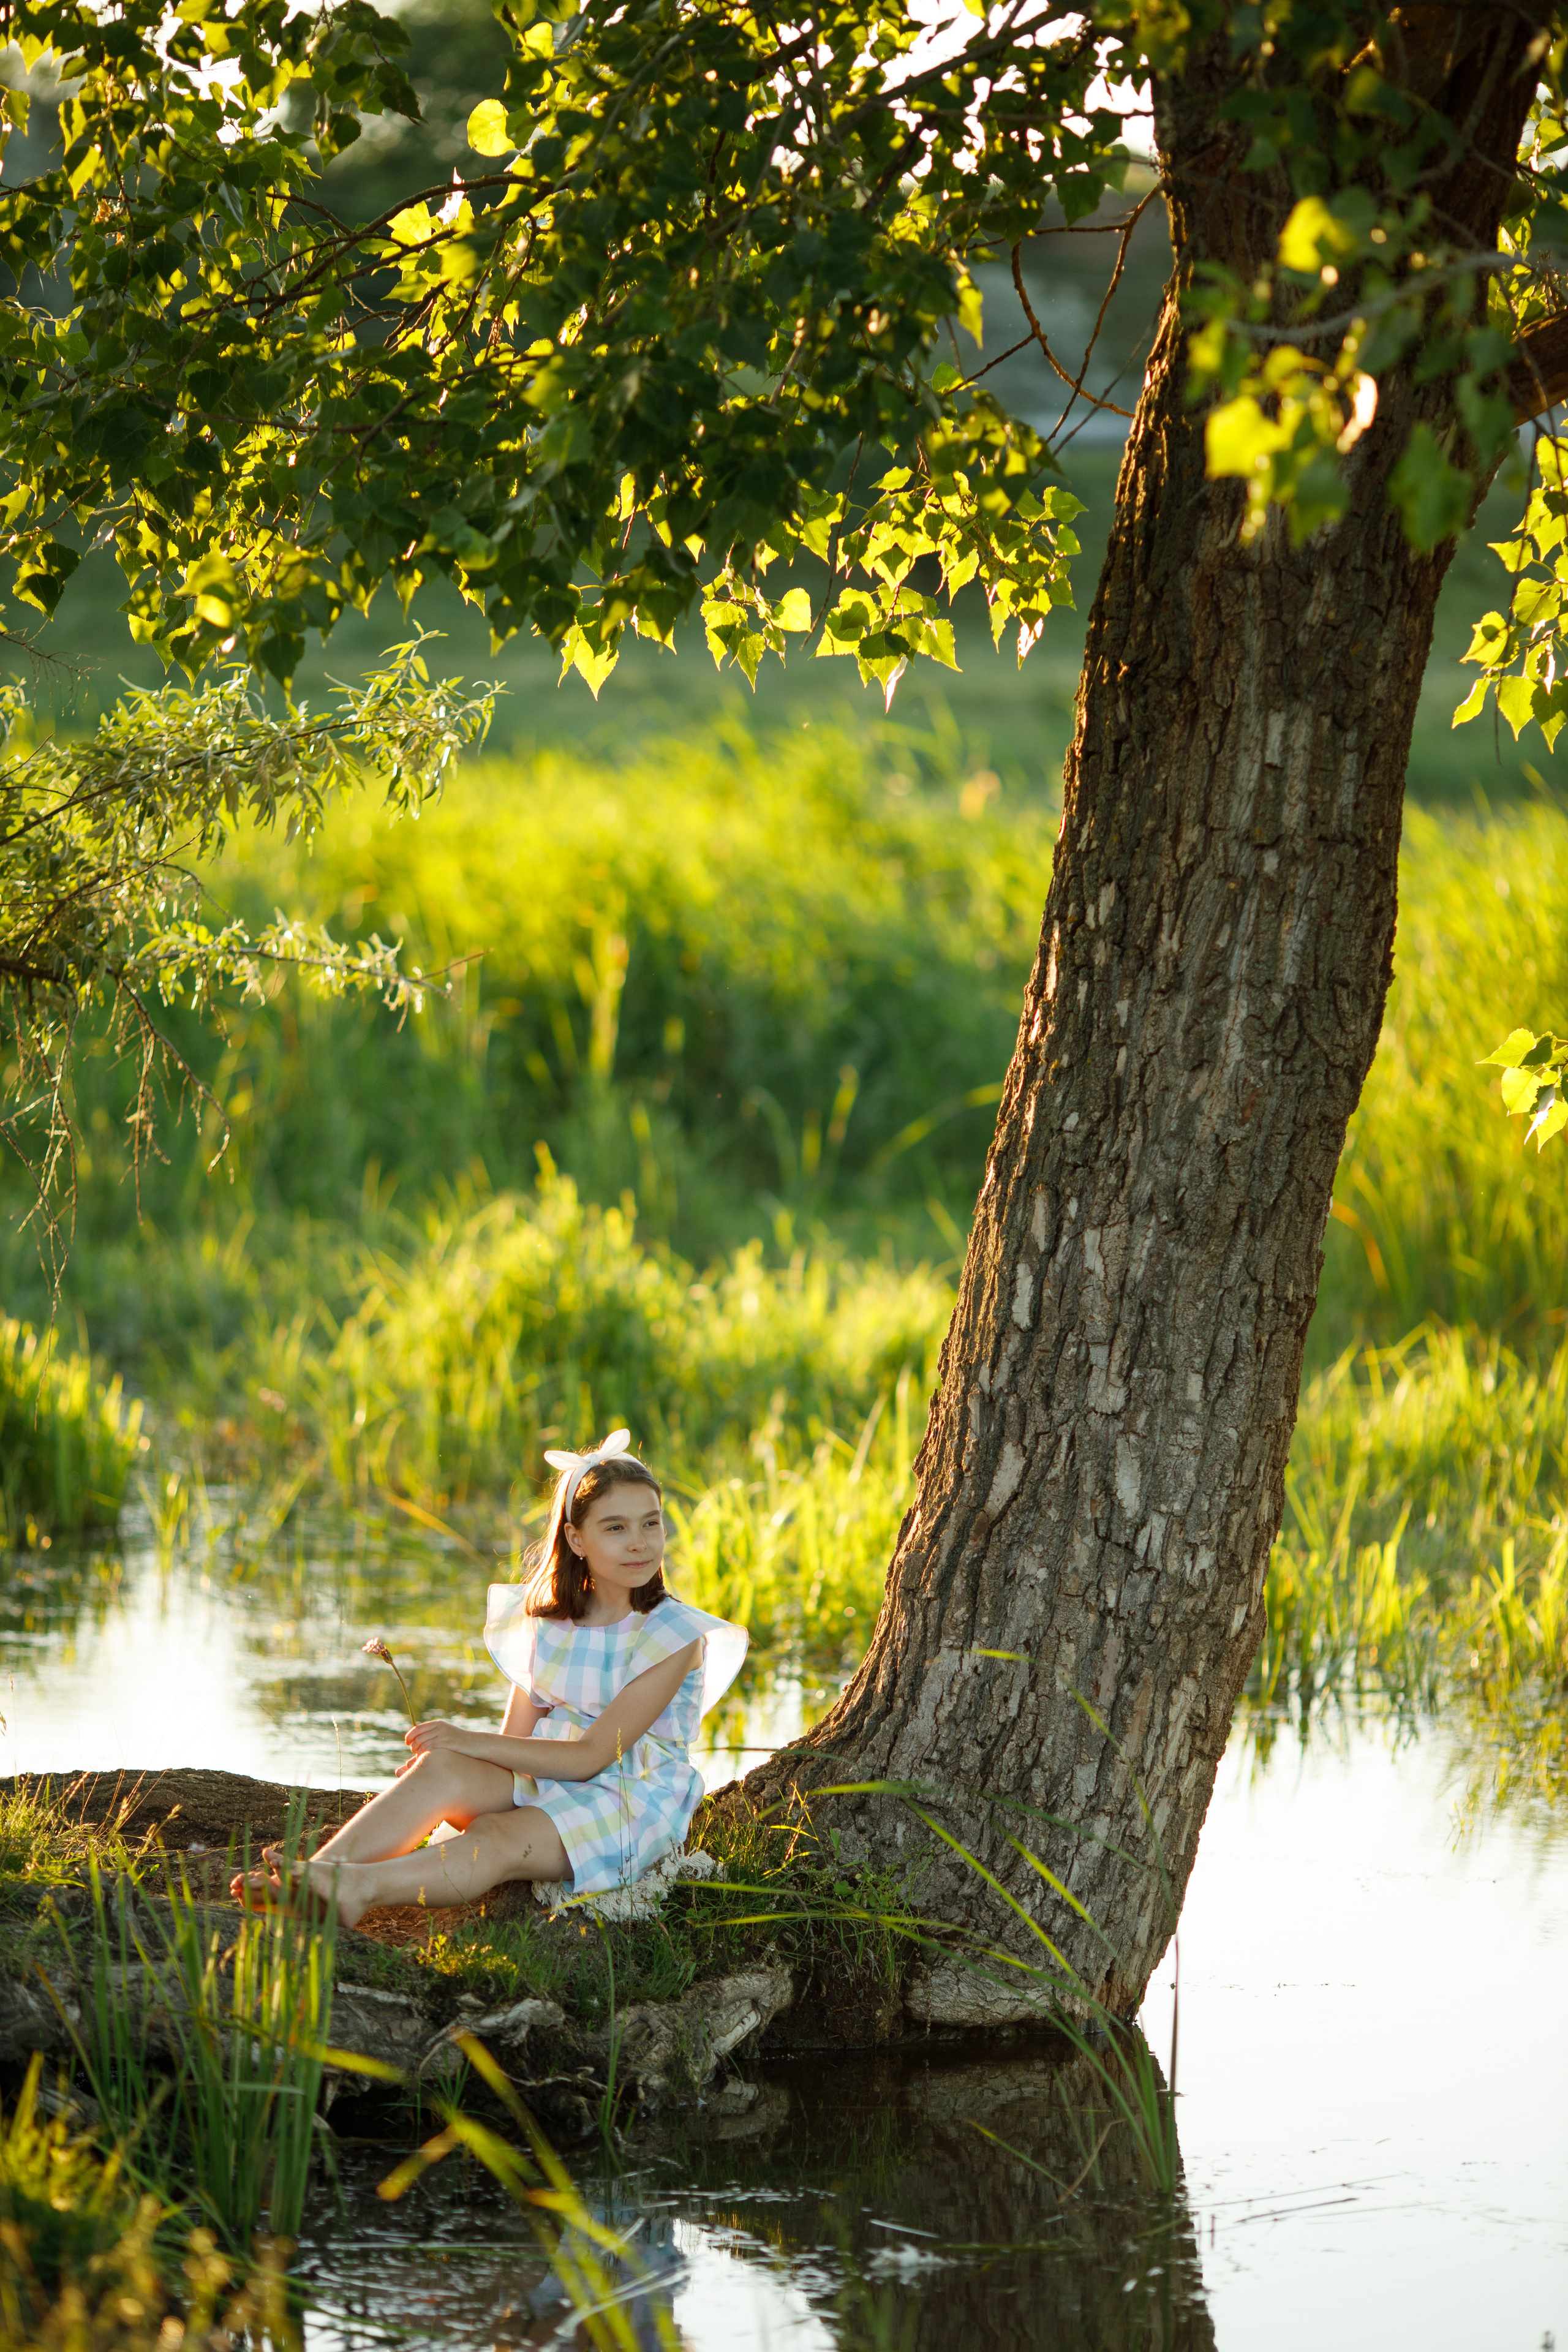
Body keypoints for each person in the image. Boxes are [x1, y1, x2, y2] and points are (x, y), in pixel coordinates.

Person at [232, 1431, 747, 1926]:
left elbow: (594, 1756)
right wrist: (455, 1756)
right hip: (549, 1776)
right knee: (441, 1768)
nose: (640, 1543)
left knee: (499, 1833)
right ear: (576, 1538)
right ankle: (318, 1876)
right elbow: (513, 1743)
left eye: (651, 1524)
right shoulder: (550, 1624)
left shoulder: (675, 1635)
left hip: (630, 1795)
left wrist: (466, 1739)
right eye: (616, 1527)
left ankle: (360, 1890)